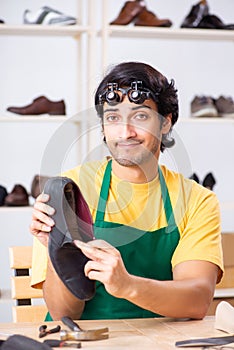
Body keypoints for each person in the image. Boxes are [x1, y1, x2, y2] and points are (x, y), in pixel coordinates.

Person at [30, 61, 223, 321]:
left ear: (165, 123)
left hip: (164, 342)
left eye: (140, 116)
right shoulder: (70, 189)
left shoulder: (197, 200)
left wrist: (127, 285)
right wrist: (59, 252)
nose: (125, 132)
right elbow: (63, 313)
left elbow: (196, 300)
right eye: (112, 118)